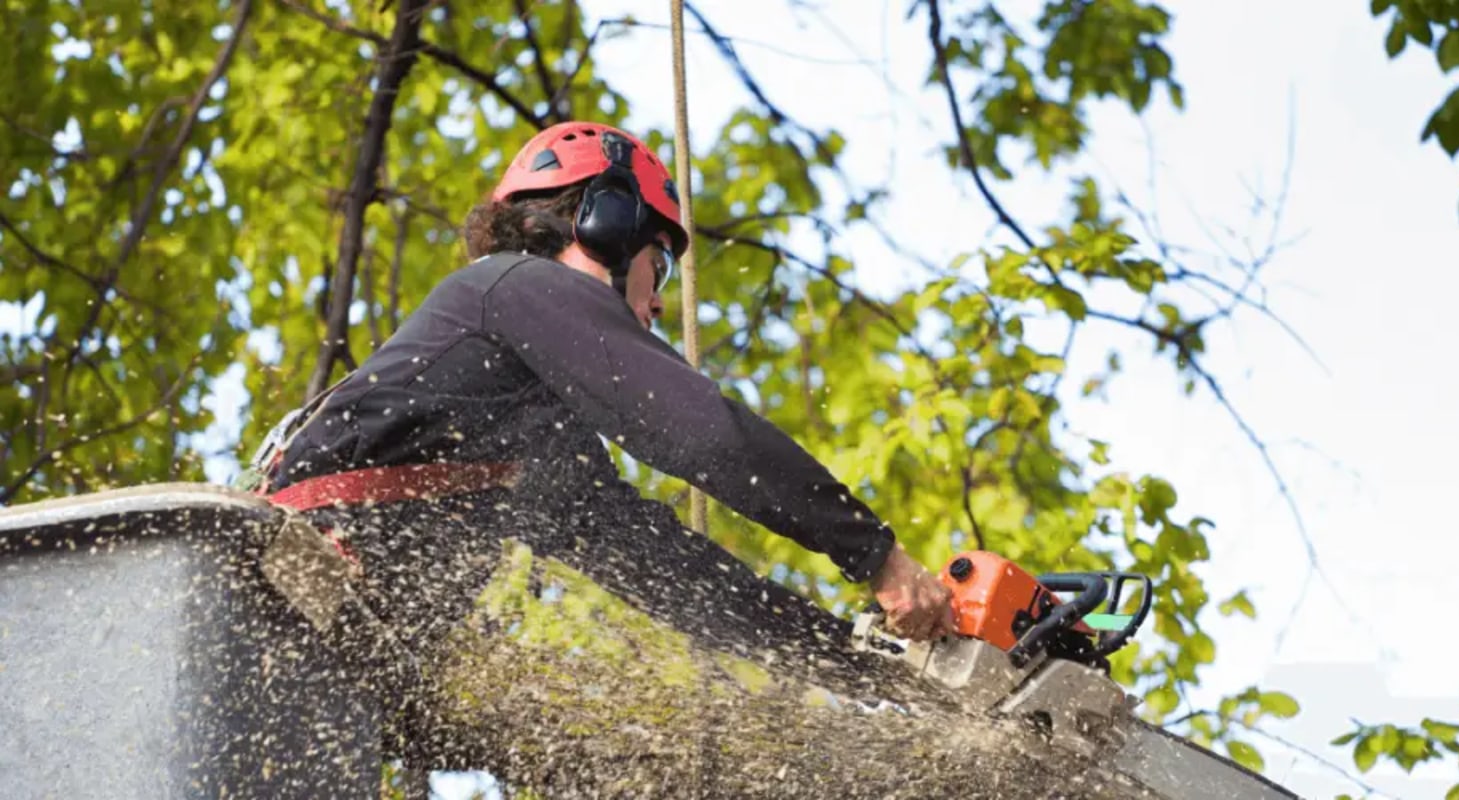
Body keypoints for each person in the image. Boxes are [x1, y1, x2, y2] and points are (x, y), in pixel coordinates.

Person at [254, 119, 955, 643]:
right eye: (662, 265)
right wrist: (876, 555)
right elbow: (705, 434)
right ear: (607, 224)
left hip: (319, 641)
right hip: (280, 592)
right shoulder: (516, 285)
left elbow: (670, 574)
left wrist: (858, 659)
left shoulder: (536, 434)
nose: (656, 304)